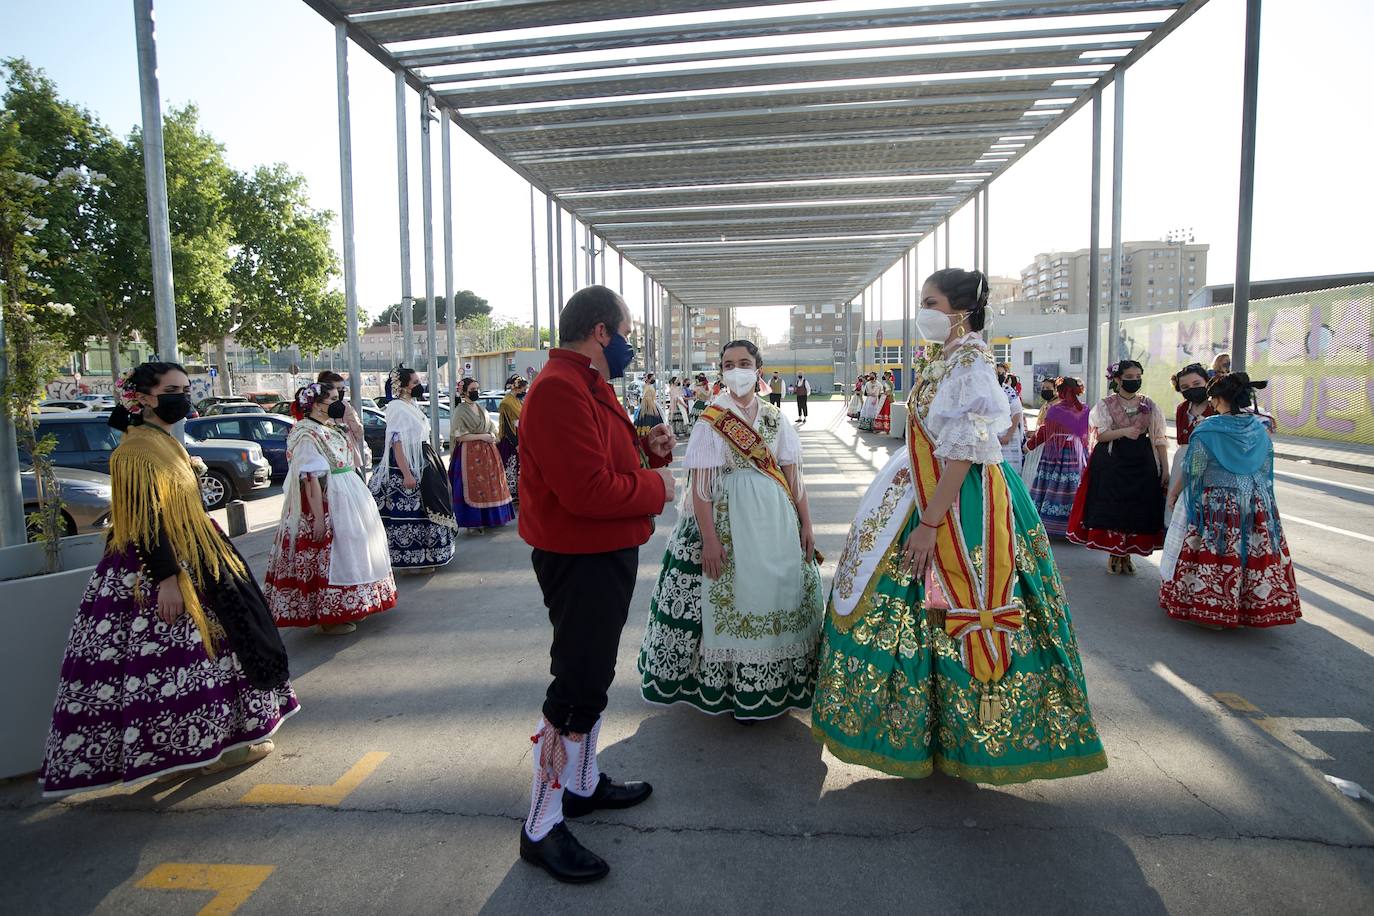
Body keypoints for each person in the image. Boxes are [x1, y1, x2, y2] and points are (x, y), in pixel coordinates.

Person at [813, 269, 1106, 784]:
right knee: (910, 608)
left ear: (961, 310)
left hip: (958, 502)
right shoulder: (946, 356)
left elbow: (963, 454)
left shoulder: (970, 361)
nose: (922, 311)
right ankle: (932, 730)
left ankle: (973, 737)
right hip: (919, 485)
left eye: (931, 302)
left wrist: (929, 523)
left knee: (951, 598)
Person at [39, 363, 297, 796]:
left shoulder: (160, 441)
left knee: (218, 650)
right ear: (142, 397)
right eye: (173, 390)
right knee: (177, 663)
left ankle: (216, 741)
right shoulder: (136, 450)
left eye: (185, 388)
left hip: (197, 552)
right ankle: (187, 749)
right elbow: (146, 523)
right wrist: (167, 579)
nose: (183, 396)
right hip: (163, 567)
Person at [517, 286, 677, 884]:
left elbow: (600, 459)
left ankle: (581, 785)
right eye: (628, 330)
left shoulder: (584, 382)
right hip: (579, 555)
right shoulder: (561, 387)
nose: (632, 343)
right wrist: (662, 488)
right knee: (577, 684)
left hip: (602, 551)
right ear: (603, 331)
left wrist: (644, 452)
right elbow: (584, 490)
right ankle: (541, 824)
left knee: (595, 673)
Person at [639, 340, 821, 722]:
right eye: (728, 363)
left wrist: (806, 523)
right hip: (727, 522)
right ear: (721, 370)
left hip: (777, 522)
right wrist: (709, 540)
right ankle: (732, 689)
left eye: (743, 362)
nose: (735, 369)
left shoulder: (775, 418)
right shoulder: (712, 419)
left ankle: (777, 685)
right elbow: (701, 488)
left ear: (758, 369)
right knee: (732, 598)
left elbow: (794, 477)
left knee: (778, 597)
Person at [1160, 372, 1300, 629]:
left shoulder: (1208, 429)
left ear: (1219, 399)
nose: (1211, 404)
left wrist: (1174, 492)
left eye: (1213, 399)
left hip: (1217, 502)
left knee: (1217, 551)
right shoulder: (1258, 428)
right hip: (1254, 500)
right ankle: (1251, 607)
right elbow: (1265, 464)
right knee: (1250, 550)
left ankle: (1213, 608)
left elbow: (1194, 469)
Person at [265, 383, 396, 634]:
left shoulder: (330, 427)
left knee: (355, 546)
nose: (340, 403)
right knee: (330, 554)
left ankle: (352, 604)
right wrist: (318, 518)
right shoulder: (306, 432)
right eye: (334, 399)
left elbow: (353, 456)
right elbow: (310, 478)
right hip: (327, 499)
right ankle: (330, 617)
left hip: (347, 491)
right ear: (315, 404)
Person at [1067, 360, 1168, 575]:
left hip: (1142, 460)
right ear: (1118, 379)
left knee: (1137, 507)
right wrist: (1124, 432)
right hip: (1113, 460)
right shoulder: (1106, 404)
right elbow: (1100, 434)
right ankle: (1115, 551)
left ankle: (1127, 552)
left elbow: (1159, 438)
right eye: (1129, 377)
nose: (1134, 381)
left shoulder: (1149, 404)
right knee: (1114, 507)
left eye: (1137, 376)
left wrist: (1164, 469)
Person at [370, 366, 457, 570]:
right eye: (415, 382)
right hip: (407, 463)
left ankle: (430, 556)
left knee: (430, 505)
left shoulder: (412, 404)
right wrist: (407, 474)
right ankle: (411, 559)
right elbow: (397, 442)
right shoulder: (396, 407)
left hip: (424, 457)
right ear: (403, 386)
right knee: (413, 509)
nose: (419, 385)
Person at [1024, 378, 1090, 538]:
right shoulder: (1084, 409)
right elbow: (1085, 433)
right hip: (1076, 453)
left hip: (1055, 452)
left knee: (1051, 483)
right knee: (1073, 484)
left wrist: (1029, 445)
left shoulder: (1055, 410)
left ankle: (1051, 524)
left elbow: (1045, 431)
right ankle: (1075, 526)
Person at [450, 376, 516, 534]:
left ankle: (491, 519)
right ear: (464, 391)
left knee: (491, 485)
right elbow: (459, 436)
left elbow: (492, 428)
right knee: (474, 485)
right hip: (469, 453)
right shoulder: (460, 410)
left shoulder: (480, 408)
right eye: (472, 390)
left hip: (488, 452)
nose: (476, 392)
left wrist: (492, 436)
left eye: (477, 389)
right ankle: (474, 521)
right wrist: (482, 436)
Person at [1169, 362, 1216, 509]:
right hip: (1182, 460)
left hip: (1209, 463)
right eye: (1185, 387)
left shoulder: (1216, 407)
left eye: (1197, 383)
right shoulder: (1182, 408)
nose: (1192, 389)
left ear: (1207, 382)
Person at [317, 370, 371, 469]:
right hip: (330, 456)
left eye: (343, 389)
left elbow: (359, 432)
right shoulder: (321, 408)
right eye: (337, 389)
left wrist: (350, 414)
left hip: (349, 455)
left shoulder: (345, 405)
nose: (340, 392)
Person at [498, 377, 526, 502]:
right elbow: (507, 425)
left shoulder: (517, 400)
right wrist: (516, 443)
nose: (525, 391)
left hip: (521, 434)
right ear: (517, 387)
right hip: (512, 439)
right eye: (523, 389)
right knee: (511, 466)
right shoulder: (506, 402)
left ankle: (520, 492)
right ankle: (512, 493)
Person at [997, 365, 1025, 473]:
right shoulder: (985, 389)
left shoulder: (1008, 390)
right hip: (991, 435)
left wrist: (1008, 436)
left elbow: (1017, 413)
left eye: (1002, 374)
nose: (1000, 376)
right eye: (997, 373)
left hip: (1007, 434)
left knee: (1008, 471)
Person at [634, 372, 663, 439]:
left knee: (647, 421)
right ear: (649, 379)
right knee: (650, 420)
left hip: (648, 405)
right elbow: (648, 399)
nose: (654, 379)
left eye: (654, 378)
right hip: (649, 406)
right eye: (652, 378)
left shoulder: (648, 386)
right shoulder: (648, 387)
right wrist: (654, 409)